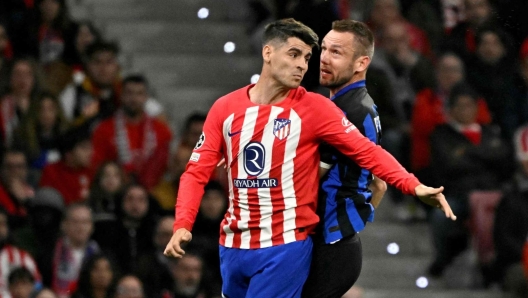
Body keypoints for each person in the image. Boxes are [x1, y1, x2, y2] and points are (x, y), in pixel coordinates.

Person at [164, 18, 455, 298]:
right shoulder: (224, 107)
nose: (303, 65)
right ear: (268, 52)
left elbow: (367, 151)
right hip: (232, 244)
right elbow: (195, 173)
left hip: (284, 246)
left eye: (306, 57)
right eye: (294, 54)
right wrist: (182, 225)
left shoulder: (316, 108)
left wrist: (413, 186)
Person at [301, 19, 386, 298]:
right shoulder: (360, 106)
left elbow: (308, 178)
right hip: (339, 242)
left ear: (361, 63)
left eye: (336, 53)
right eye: (323, 49)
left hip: (329, 245)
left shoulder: (348, 112)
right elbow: (378, 185)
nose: (324, 58)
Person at [90, 75, 172, 190]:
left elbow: (165, 167)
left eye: (139, 94)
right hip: (114, 190)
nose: (134, 98)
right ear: (121, 96)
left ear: (146, 97)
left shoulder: (162, 131)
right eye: (129, 93)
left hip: (152, 192)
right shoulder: (103, 129)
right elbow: (97, 166)